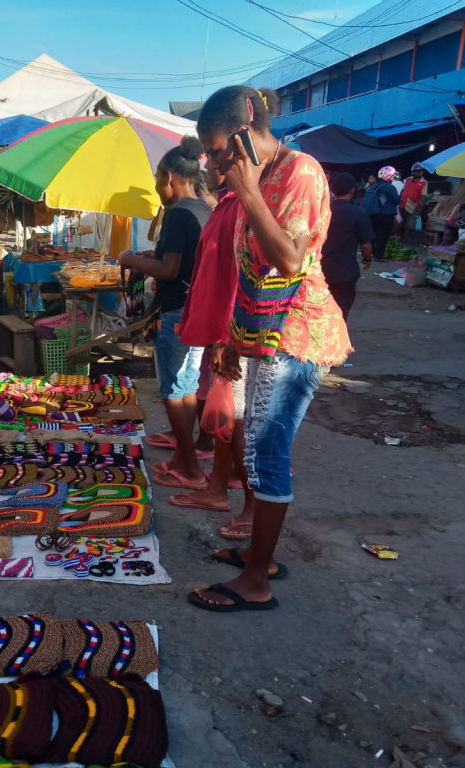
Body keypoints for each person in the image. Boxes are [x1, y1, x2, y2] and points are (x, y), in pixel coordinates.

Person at [188, 85, 351, 612]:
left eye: (217, 150)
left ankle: (256, 581)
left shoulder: (299, 172)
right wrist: (234, 341)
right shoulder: (256, 179)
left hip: (298, 333)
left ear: (246, 124)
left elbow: (287, 263)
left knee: (266, 455)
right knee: (255, 451)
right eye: (209, 154)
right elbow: (250, 274)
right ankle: (264, 560)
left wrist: (250, 192)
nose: (213, 163)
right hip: (264, 337)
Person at [119, 137, 212, 489]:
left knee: (172, 391)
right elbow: (184, 259)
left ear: (169, 177)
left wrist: (131, 260)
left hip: (175, 311)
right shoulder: (203, 209)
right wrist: (151, 255)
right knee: (187, 386)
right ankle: (183, 457)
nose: (157, 188)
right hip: (197, 309)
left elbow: (170, 270)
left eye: (158, 180)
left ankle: (190, 468)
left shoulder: (177, 214)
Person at [169, 167, 255, 534]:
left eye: (220, 154)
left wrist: (225, 338)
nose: (213, 166)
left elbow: (242, 276)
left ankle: (253, 504)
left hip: (237, 332)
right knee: (226, 418)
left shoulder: (246, 205)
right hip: (223, 330)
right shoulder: (227, 202)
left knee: (237, 423)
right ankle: (216, 488)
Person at [323, 172, 374, 321]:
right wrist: (367, 259)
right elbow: (366, 245)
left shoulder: (324, 210)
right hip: (345, 273)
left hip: (320, 270)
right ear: (352, 191)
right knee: (340, 312)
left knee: (318, 312)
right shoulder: (358, 213)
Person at [362, 166, 401, 261]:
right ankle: (378, 256)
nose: (393, 178)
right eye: (392, 176)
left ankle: (369, 253)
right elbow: (397, 200)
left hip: (373, 213)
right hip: (386, 215)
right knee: (383, 235)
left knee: (374, 233)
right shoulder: (390, 187)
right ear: (388, 176)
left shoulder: (374, 185)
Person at [397, 162, 428, 243]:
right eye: (415, 171)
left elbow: (423, 197)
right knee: (399, 223)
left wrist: (420, 210)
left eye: (419, 171)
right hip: (402, 205)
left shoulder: (424, 182)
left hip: (413, 207)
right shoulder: (408, 179)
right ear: (412, 172)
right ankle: (398, 239)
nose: (417, 173)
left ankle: (404, 241)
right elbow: (402, 191)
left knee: (409, 225)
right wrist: (399, 200)